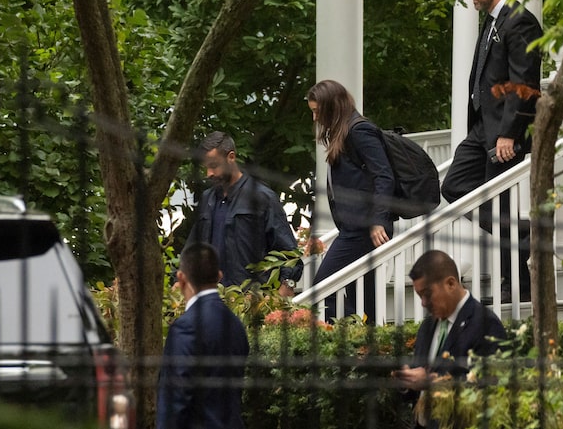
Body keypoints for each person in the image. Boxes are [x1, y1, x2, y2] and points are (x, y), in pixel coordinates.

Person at [440, 0, 543, 301]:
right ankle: (524, 236)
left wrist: (510, 133)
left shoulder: (520, 23)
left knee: (500, 208)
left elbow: (523, 83)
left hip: (504, 132)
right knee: (455, 186)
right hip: (482, 129)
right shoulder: (491, 22)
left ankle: (517, 285)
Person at [307, 79, 395, 323]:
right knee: (365, 300)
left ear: (331, 106)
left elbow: (384, 175)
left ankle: (340, 333)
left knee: (322, 290)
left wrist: (379, 221)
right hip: (355, 228)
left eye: (317, 111)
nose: (315, 119)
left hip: (365, 230)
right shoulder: (345, 132)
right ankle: (363, 344)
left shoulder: (359, 131)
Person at [394, 250, 506, 428]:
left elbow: (490, 389)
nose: (423, 303)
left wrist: (433, 383)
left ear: (451, 284)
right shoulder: (427, 327)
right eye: (419, 296)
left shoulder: (486, 324)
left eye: (427, 294)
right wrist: (407, 383)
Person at [185, 131, 303, 296]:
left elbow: (289, 253)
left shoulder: (262, 197)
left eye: (213, 165)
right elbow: (191, 251)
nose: (209, 174)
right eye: (206, 167)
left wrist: (285, 286)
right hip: (211, 300)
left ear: (231, 157)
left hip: (252, 302)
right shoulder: (207, 200)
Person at [157, 243, 250, 429]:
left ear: (181, 279)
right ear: (219, 276)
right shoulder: (235, 324)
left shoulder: (185, 327)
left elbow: (175, 402)